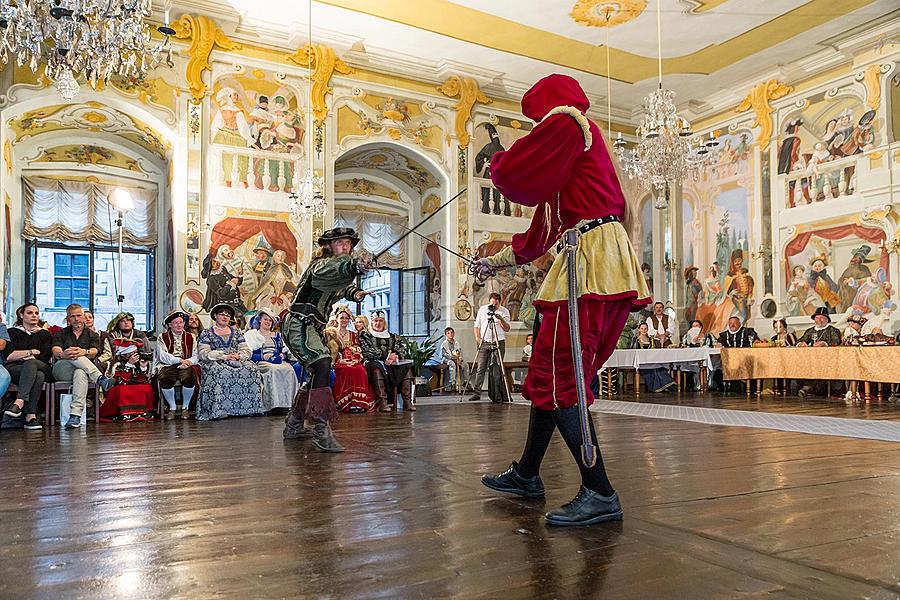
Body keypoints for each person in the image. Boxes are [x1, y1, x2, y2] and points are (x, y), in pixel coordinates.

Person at [477, 74, 651, 526]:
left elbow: (515, 172)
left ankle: (600, 491)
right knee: (550, 374)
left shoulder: (569, 122)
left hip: (589, 263)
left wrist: (498, 161)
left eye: (535, 120)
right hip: (588, 259)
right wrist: (496, 262)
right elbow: (540, 233)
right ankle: (528, 474)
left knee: (562, 376)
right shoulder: (571, 161)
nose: (536, 127)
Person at [281, 227, 371, 452]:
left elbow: (340, 288)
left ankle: (294, 424)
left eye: (349, 244)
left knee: (317, 372)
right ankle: (321, 429)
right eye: (341, 242)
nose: (346, 247)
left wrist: (355, 294)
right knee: (322, 364)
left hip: (311, 326)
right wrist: (353, 265)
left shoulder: (333, 272)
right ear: (328, 246)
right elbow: (332, 272)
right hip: (299, 324)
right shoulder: (320, 266)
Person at [196, 303, 264, 420]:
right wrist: (222, 356)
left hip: (235, 359)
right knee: (219, 371)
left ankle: (250, 409)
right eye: (221, 314)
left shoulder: (237, 332)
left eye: (227, 315)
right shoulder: (207, 333)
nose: (225, 317)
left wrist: (239, 355)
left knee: (252, 369)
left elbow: (246, 349)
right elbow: (203, 353)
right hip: (216, 361)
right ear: (215, 316)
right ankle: (219, 410)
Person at [51, 304, 111, 429]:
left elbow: (94, 351)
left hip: (84, 371)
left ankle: (75, 415)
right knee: (74, 354)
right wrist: (63, 353)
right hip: (62, 368)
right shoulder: (61, 333)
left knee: (80, 371)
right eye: (73, 316)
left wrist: (84, 352)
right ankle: (100, 378)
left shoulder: (93, 334)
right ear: (68, 319)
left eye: (79, 315)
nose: (76, 319)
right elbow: (55, 349)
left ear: (84, 317)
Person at [2, 303, 50, 429]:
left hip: (42, 366)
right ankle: (31, 417)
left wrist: (21, 355)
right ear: (21, 315)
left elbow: (43, 357)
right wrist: (31, 351)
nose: (34, 315)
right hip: (16, 369)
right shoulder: (12, 332)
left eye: (36, 313)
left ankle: (19, 402)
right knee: (37, 376)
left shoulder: (45, 334)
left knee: (32, 364)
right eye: (29, 313)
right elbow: (9, 356)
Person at [244, 309, 298, 412]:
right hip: (262, 361)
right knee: (272, 370)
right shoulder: (252, 335)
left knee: (289, 370)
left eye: (270, 320)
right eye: (265, 319)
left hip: (278, 360)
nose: (268, 322)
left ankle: (287, 404)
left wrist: (282, 355)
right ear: (260, 320)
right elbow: (248, 353)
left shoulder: (278, 336)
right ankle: (274, 404)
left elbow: (285, 351)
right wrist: (263, 357)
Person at [360, 311, 415, 412]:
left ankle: (407, 401)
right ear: (371, 323)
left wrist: (395, 356)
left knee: (406, 368)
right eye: (375, 321)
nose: (378, 323)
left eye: (381, 321)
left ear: (384, 322)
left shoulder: (392, 336)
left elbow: (402, 349)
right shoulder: (366, 336)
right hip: (374, 362)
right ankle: (383, 402)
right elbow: (367, 351)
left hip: (391, 364)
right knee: (377, 368)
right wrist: (387, 356)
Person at [154, 311, 200, 420]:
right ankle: (172, 407)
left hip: (186, 363)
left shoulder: (191, 336)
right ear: (170, 325)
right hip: (168, 364)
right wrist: (179, 360)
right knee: (165, 378)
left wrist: (188, 362)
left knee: (189, 378)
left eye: (181, 322)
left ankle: (185, 407)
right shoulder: (162, 337)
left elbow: (196, 354)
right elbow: (162, 356)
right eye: (175, 323)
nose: (179, 325)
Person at [467, 292, 511, 402]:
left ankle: (496, 394)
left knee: (496, 369)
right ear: (489, 301)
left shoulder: (504, 311)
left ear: (499, 303)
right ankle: (476, 393)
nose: (493, 306)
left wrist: (500, 319)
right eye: (492, 304)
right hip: (484, 342)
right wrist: (478, 338)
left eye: (495, 304)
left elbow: (507, 328)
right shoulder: (483, 309)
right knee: (481, 368)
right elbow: (477, 325)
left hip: (498, 341)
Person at [101, 336, 156, 422]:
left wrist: (143, 368)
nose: (135, 355)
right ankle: (124, 412)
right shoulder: (115, 364)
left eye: (135, 352)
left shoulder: (138, 362)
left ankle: (143, 411)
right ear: (124, 354)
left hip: (134, 386)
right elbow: (119, 382)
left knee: (146, 388)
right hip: (117, 388)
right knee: (122, 390)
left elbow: (143, 381)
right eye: (131, 353)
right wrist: (129, 365)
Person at [329, 306, 373, 413]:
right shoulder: (330, 334)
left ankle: (358, 402)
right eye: (342, 318)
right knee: (346, 370)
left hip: (353, 361)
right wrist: (338, 360)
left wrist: (356, 359)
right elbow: (328, 350)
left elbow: (358, 349)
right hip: (337, 362)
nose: (344, 320)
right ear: (337, 319)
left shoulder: (353, 334)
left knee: (360, 370)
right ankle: (344, 402)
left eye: (346, 318)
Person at [796, 307, 843, 399]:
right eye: (817, 318)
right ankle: (806, 388)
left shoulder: (833, 330)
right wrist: (801, 343)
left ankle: (807, 388)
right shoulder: (810, 331)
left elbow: (837, 342)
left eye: (822, 318)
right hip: (810, 360)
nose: (819, 320)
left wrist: (824, 343)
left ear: (827, 319)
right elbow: (799, 341)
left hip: (828, 360)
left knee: (818, 366)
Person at [630, 322, 677, 393]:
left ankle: (667, 385)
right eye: (642, 329)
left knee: (659, 369)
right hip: (641, 362)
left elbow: (653, 350)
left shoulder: (650, 339)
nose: (644, 330)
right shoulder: (636, 339)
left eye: (645, 329)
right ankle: (661, 386)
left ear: (647, 329)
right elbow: (633, 351)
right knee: (652, 370)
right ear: (639, 330)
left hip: (651, 360)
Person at [438, 326, 470, 393]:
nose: (450, 334)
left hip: (456, 358)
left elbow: (459, 352)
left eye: (452, 332)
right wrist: (453, 358)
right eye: (448, 333)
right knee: (452, 364)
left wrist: (459, 359)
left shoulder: (456, 343)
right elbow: (444, 354)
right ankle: (453, 383)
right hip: (446, 359)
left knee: (465, 365)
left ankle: (466, 382)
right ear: (446, 334)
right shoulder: (444, 344)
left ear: (454, 333)